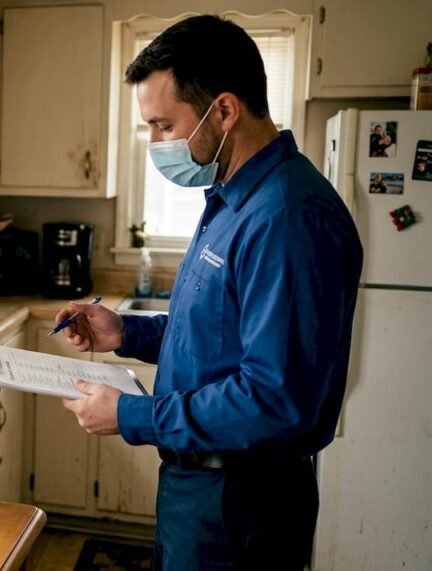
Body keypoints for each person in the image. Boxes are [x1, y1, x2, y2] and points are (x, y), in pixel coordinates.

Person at [53, 15, 362, 570]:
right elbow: (217, 333)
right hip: (199, 491)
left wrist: (132, 417)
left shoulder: (287, 217)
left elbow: (274, 398)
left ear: (223, 110)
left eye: (163, 125)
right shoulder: (230, 197)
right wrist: (126, 331)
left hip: (243, 502)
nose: (154, 144)